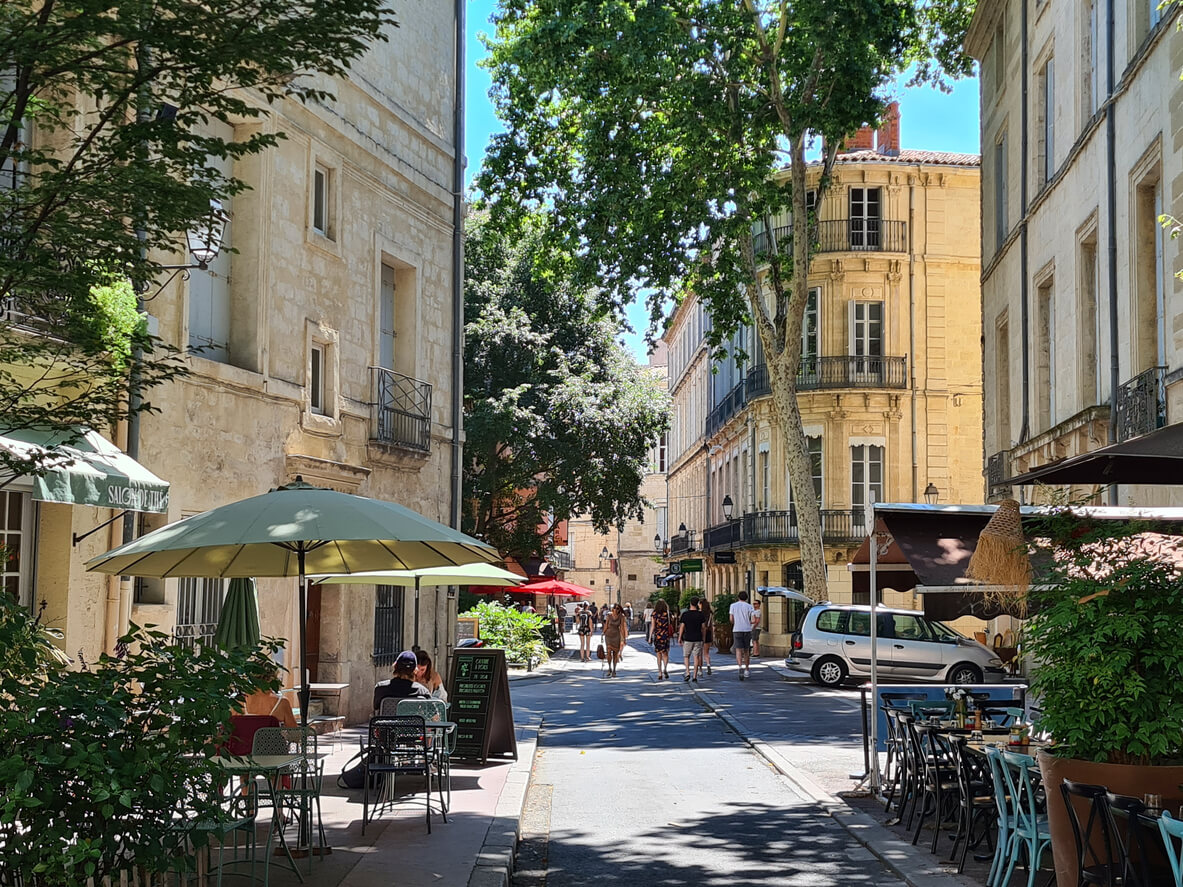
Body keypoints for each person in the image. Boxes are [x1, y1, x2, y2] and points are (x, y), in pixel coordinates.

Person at [678, 597, 706, 683]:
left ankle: (687, 672)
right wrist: (703, 638)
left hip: (688, 638)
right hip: (698, 638)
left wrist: (679, 637)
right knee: (696, 656)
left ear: (690, 603)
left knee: (686, 656)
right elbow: (703, 628)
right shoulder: (700, 614)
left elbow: (682, 627)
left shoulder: (685, 614)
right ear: (697, 604)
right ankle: (694, 675)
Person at [729, 590, 756, 680]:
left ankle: (740, 666)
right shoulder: (749, 606)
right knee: (746, 650)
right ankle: (747, 669)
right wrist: (748, 622)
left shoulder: (733, 606)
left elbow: (731, 619)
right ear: (747, 598)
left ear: (738, 597)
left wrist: (735, 623)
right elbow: (754, 620)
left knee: (738, 650)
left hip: (737, 629)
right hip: (747, 629)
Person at [601, 603, 628, 677]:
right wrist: (603, 633)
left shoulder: (621, 617)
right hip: (608, 635)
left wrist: (624, 638)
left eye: (618, 608)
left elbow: (622, 628)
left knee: (615, 653)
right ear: (613, 609)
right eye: (615, 608)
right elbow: (606, 625)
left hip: (616, 635)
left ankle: (614, 669)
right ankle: (609, 667)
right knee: (609, 651)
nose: (616, 609)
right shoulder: (609, 615)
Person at [650, 599, 673, 680]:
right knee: (665, 653)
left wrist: (650, 637)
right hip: (666, 636)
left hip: (658, 636)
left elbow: (652, 626)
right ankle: (665, 668)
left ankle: (659, 672)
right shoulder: (667, 614)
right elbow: (671, 623)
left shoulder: (654, 614)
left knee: (658, 654)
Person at [700, 597, 714, 676]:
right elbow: (711, 626)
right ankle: (708, 664)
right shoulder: (710, 613)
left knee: (699, 653)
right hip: (708, 633)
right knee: (706, 652)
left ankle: (700, 669)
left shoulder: (700, 613)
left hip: (700, 633)